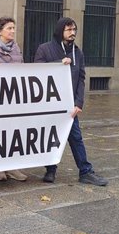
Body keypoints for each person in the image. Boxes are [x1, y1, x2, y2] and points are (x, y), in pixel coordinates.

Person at [34, 17, 108, 186]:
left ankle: (85, 171)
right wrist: (57, 63)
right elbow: (37, 72)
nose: (72, 33)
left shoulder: (78, 52)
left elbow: (81, 78)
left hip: (69, 105)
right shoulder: (44, 49)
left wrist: (78, 103)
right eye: (69, 30)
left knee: (75, 137)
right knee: (51, 137)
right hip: (49, 104)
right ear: (60, 31)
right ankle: (50, 169)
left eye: (74, 29)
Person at [0, 16, 28, 183]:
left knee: (13, 131)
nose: (13, 31)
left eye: (13, 28)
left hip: (13, 97)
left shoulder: (16, 47)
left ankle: (12, 166)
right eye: (9, 28)